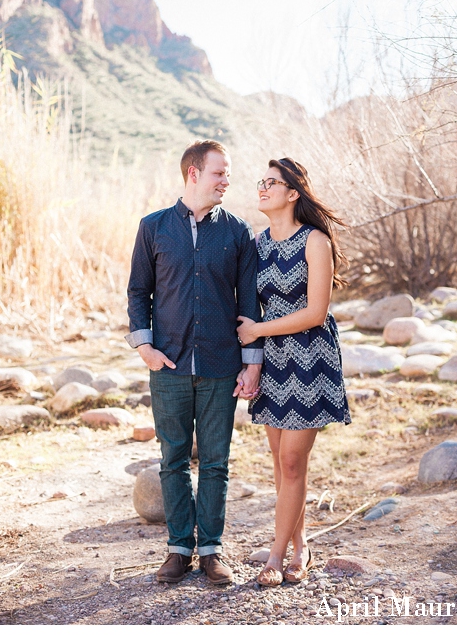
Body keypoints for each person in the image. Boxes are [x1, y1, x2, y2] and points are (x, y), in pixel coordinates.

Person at [126, 140, 263, 586]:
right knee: (173, 459)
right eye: (219, 173)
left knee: (217, 461)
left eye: (227, 174)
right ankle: (179, 548)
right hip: (167, 366)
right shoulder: (153, 228)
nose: (227, 181)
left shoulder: (238, 232)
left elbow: (249, 303)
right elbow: (137, 292)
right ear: (193, 174)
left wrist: (252, 363)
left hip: (222, 365)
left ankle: (211, 551)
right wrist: (144, 347)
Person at [236, 157, 351, 587]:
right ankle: (301, 546)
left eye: (272, 182)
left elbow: (316, 312)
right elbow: (248, 305)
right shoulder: (257, 243)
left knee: (291, 458)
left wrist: (258, 331)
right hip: (274, 360)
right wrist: (253, 358)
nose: (262, 187)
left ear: (292, 193)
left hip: (310, 357)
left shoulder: (314, 241)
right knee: (283, 465)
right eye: (260, 181)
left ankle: (278, 554)